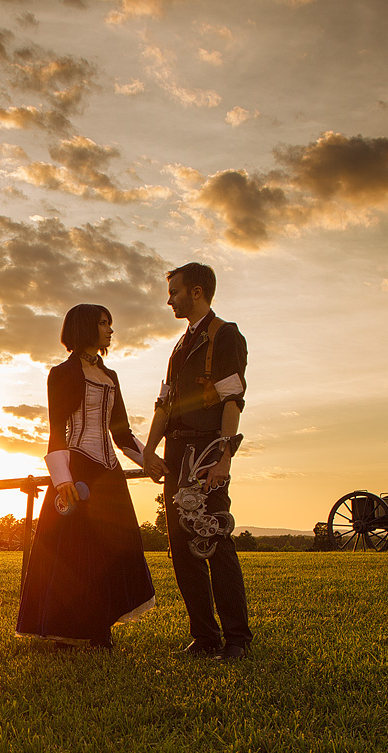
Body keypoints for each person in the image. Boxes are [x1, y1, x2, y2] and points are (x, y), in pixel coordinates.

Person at [16, 304, 156, 649]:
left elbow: (121, 433)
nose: (110, 330)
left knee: (113, 549)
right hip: (77, 468)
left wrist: (151, 460)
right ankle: (69, 630)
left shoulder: (111, 376)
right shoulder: (61, 373)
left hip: (109, 473)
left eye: (110, 323)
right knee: (76, 554)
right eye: (103, 323)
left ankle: (100, 628)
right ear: (84, 328)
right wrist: (62, 480)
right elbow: (56, 430)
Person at [141, 262, 252, 661]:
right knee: (183, 549)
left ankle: (237, 638)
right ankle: (204, 638)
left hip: (207, 452)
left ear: (198, 292)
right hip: (175, 455)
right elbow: (164, 402)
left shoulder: (225, 336)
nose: (169, 298)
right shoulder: (179, 345)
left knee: (214, 540)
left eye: (174, 291)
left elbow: (232, 399)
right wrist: (148, 451)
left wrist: (224, 457)